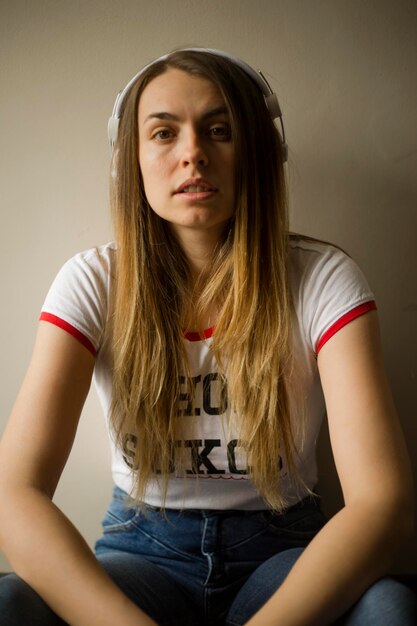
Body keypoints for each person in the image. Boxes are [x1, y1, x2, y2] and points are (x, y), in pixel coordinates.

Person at [0, 47, 415, 626]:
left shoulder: (323, 279)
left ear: (257, 154)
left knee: (389, 608)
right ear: (132, 161)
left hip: (282, 556)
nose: (192, 153)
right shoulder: (93, 281)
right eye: (164, 133)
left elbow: (384, 507)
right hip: (141, 556)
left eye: (219, 130)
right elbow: (13, 496)